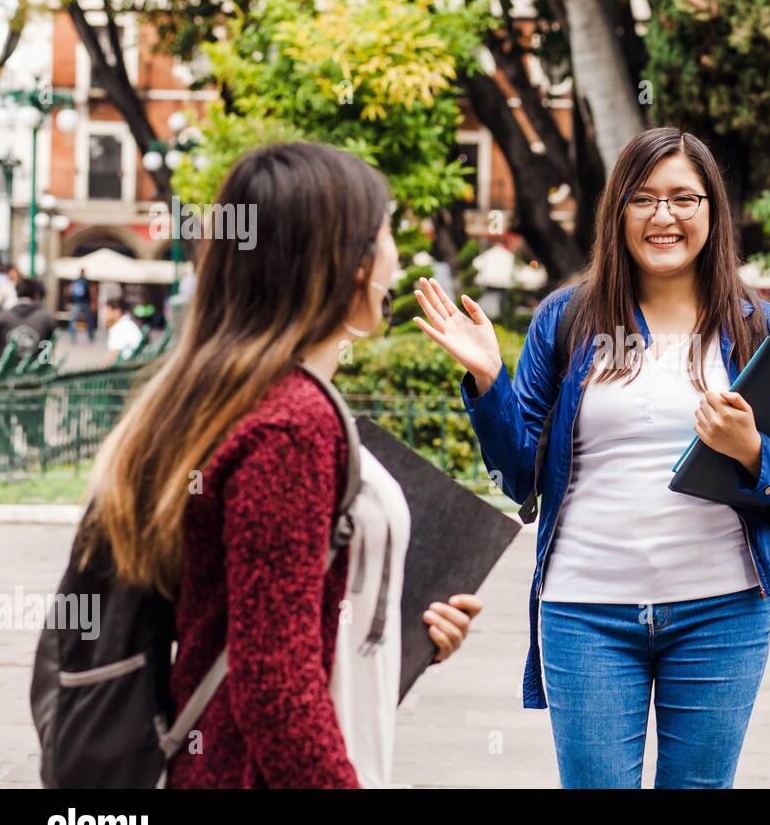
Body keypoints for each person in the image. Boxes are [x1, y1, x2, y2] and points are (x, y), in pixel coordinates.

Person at [416, 127, 770, 788]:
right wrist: (491, 382)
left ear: (712, 212)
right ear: (618, 213)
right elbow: (517, 475)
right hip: (586, 611)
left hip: (721, 611)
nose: (663, 216)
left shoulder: (761, 329)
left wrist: (752, 451)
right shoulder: (569, 319)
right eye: (643, 199)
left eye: (684, 199)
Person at [83, 142, 483, 788]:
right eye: (385, 236)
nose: (397, 259)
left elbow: (277, 611)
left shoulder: (258, 397)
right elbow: (274, 685)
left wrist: (408, 634)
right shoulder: (292, 424)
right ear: (343, 262)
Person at [0, 277, 55, 359]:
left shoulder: (3, 317)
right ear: (35, 294)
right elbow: (47, 355)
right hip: (35, 370)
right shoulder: (46, 318)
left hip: (7, 370)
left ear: (16, 293)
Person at [102, 296, 145, 361]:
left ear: (117, 312)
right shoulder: (126, 324)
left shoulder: (120, 328)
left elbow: (113, 356)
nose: (105, 315)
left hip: (129, 365)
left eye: (108, 311)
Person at [67, 270, 95, 342]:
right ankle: (90, 335)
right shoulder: (86, 281)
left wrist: (69, 301)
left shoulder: (75, 281)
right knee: (89, 319)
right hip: (85, 302)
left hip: (76, 302)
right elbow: (91, 292)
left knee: (73, 319)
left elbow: (69, 291)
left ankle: (72, 335)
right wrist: (92, 302)